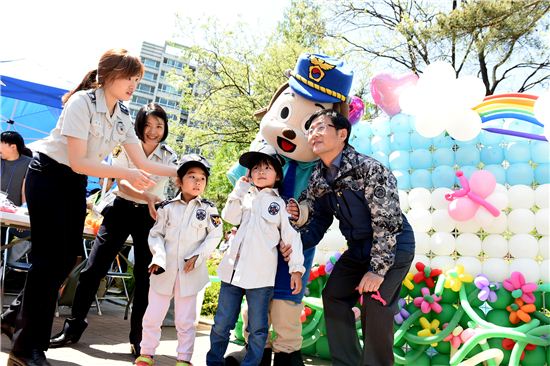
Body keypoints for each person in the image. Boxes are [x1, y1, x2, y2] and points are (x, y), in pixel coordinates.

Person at [8, 49, 177, 366]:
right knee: (48, 262)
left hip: (72, 182)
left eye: (137, 80)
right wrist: (124, 174)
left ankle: (13, 317)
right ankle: (25, 349)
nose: (133, 85)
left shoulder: (123, 114)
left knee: (67, 258)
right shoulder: (81, 103)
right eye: (130, 78)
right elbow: (79, 160)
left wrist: (183, 172)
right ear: (111, 75)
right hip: (48, 176)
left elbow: (141, 160)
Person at [285, 109, 415, 366]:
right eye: (310, 129)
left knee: (375, 305)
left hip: (393, 246)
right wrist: (295, 244)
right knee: (334, 295)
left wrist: (377, 271)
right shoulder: (317, 178)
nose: (313, 134)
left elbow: (386, 223)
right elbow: (317, 219)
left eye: (321, 127)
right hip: (358, 249)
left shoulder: (369, 169)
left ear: (342, 134)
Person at [49, 102, 178, 355]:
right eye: (148, 125)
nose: (153, 131)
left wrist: (155, 202)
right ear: (139, 126)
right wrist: (148, 196)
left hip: (150, 217)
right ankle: (73, 327)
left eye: (159, 126)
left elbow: (174, 181)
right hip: (120, 209)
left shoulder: (169, 155)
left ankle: (138, 339)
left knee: (144, 279)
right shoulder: (127, 146)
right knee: (92, 268)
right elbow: (121, 182)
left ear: (165, 128)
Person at [206, 145, 305, 366]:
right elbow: (230, 217)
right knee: (222, 323)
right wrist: (239, 191)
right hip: (231, 273)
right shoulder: (245, 197)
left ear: (277, 175)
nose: (260, 171)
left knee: (258, 328)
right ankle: (214, 362)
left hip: (260, 278)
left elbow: (292, 237)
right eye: (256, 168)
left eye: (267, 167)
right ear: (249, 174)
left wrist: (296, 269)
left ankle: (251, 364)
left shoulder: (279, 205)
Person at [134, 154, 223, 366]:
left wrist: (198, 256)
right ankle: (146, 353)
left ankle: (184, 358)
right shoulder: (166, 208)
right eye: (192, 176)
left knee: (185, 321)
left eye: (202, 178)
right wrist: (158, 257)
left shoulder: (209, 209)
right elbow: (156, 235)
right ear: (179, 181)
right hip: (163, 271)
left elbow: (216, 234)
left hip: (190, 273)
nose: (198, 182)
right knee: (153, 316)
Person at [0, 131, 32, 341]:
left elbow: (25, 193)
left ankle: (5, 265)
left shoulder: (28, 163)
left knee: (21, 239)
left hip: (15, 219)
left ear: (13, 146)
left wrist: (24, 213)